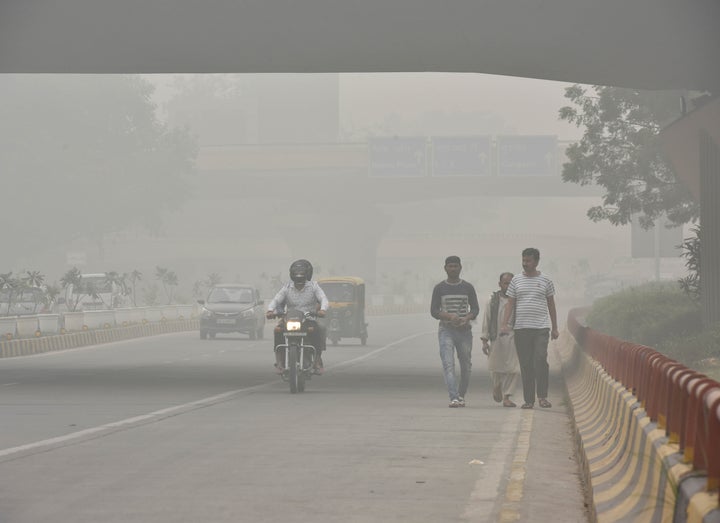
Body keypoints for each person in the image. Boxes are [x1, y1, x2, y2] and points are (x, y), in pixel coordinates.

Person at [500, 248, 559, 410]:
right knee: (526, 364)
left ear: (537, 262)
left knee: (540, 360)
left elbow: (551, 304)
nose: (525, 264)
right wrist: (504, 324)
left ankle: (542, 396)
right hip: (521, 328)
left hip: (541, 327)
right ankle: (529, 400)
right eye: (524, 260)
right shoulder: (516, 281)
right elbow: (510, 303)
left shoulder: (546, 280)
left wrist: (555, 327)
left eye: (529, 261)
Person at [430, 255, 480, 408]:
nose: (453, 269)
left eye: (455, 266)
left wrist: (467, 318)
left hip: (464, 332)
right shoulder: (439, 288)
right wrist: (448, 316)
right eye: (450, 266)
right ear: (445, 268)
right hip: (446, 330)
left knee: (465, 366)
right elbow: (433, 311)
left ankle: (461, 394)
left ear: (460, 268)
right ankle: (453, 397)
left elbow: (476, 308)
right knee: (448, 364)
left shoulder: (468, 287)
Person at [266, 259, 329, 374]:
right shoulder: (287, 287)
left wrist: (323, 310)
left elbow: (323, 299)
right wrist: (270, 310)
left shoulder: (314, 286)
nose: (299, 280)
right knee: (278, 330)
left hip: (308, 319)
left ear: (307, 275)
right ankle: (279, 362)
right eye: (297, 277)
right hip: (289, 318)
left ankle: (317, 361)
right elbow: (276, 299)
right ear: (292, 276)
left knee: (319, 329)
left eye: (301, 277)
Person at [480, 272, 520, 408]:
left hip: (513, 337)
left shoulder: (518, 300)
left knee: (514, 368)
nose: (508, 286)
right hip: (495, 337)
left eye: (511, 283)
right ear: (500, 284)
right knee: (496, 366)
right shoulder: (492, 301)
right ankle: (497, 385)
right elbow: (487, 320)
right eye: (505, 283)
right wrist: (484, 340)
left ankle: (507, 396)